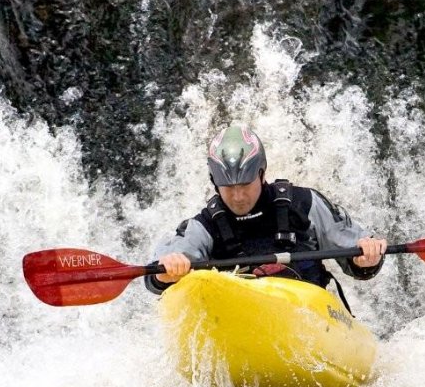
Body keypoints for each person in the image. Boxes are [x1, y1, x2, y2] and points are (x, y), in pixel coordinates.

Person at [145, 124, 386, 301]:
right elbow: (157, 275)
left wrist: (366, 257)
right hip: (240, 322)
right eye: (228, 188)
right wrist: (167, 272)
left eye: (245, 184)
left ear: (261, 173)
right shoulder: (203, 226)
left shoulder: (304, 204)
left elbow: (356, 255)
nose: (238, 197)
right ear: (213, 181)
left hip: (311, 316)